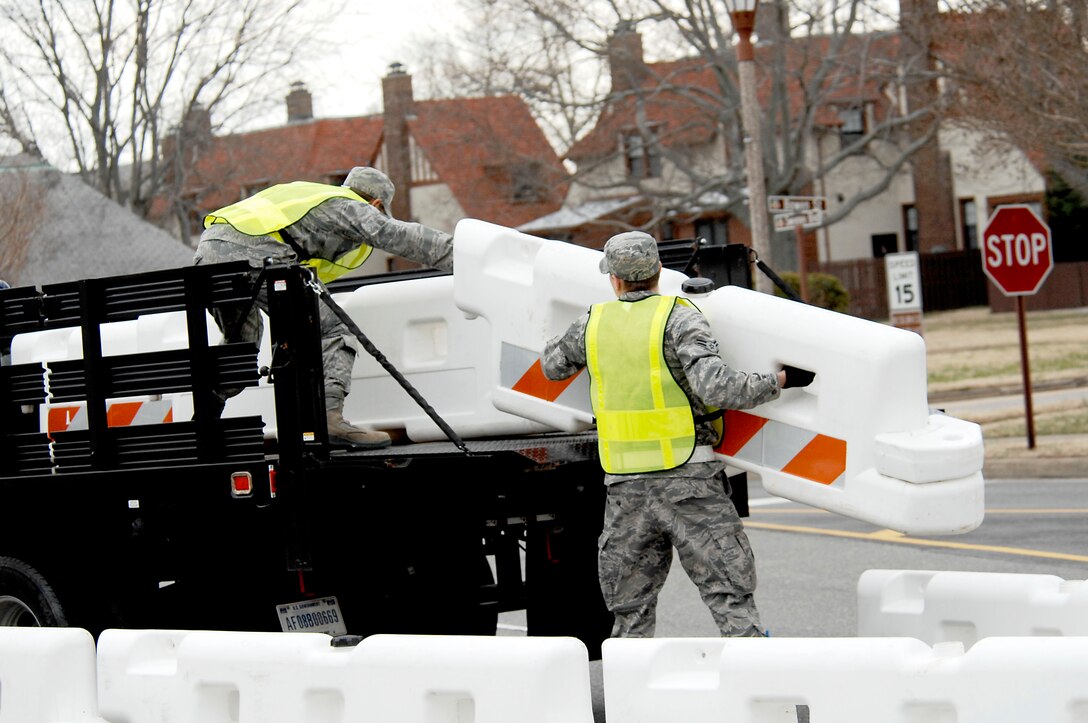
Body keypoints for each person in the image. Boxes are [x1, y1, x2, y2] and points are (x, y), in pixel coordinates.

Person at [540, 230, 814, 638]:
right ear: (656, 273)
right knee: (730, 600)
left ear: (614, 279)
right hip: (690, 481)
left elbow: (551, 366)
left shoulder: (592, 325)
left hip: (625, 490)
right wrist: (781, 379)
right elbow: (719, 388)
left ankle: (628, 699)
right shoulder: (680, 316)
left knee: (629, 613)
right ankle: (754, 691)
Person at [195, 166, 454, 449]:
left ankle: (202, 422)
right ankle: (329, 419)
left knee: (240, 346)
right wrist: (461, 255)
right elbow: (400, 236)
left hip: (207, 256)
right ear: (376, 204)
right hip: (259, 257)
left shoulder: (311, 196)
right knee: (332, 329)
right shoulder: (349, 205)